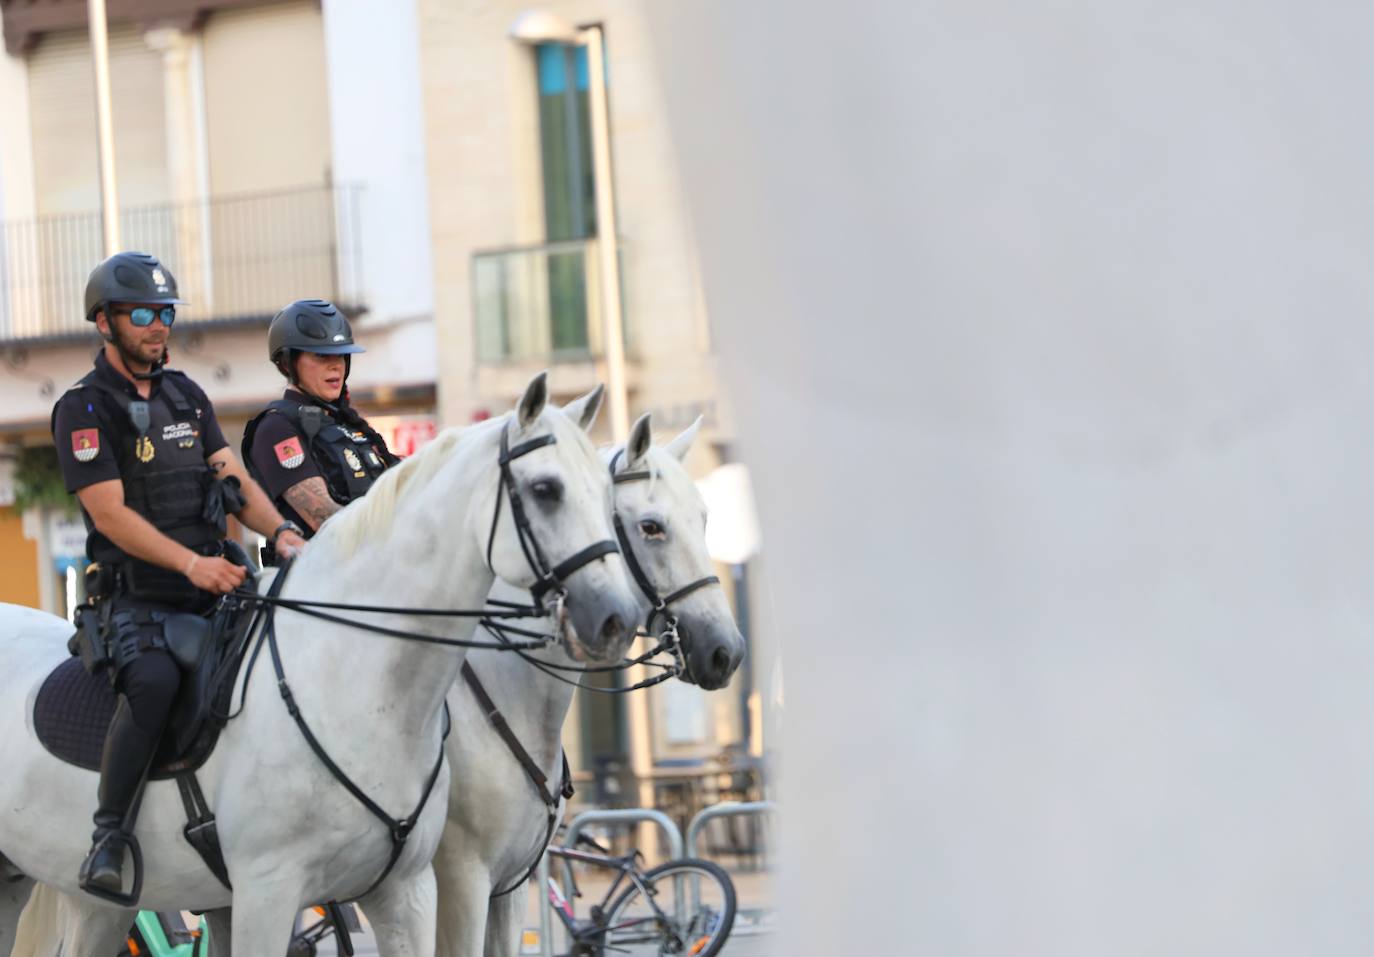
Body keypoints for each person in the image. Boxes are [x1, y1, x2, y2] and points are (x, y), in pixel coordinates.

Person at [51, 251, 308, 896]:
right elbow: (109, 514)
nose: (158, 325)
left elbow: (234, 479)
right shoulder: (83, 409)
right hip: (141, 603)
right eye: (142, 313)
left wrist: (280, 531)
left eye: (165, 312)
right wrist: (193, 564)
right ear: (105, 323)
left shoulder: (186, 395)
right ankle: (109, 836)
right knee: (155, 682)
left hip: (218, 591)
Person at [242, 299, 399, 540]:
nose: (335, 366)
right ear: (287, 363)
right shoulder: (276, 428)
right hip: (315, 573)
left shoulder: (348, 425)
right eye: (321, 356)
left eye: (341, 356)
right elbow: (325, 520)